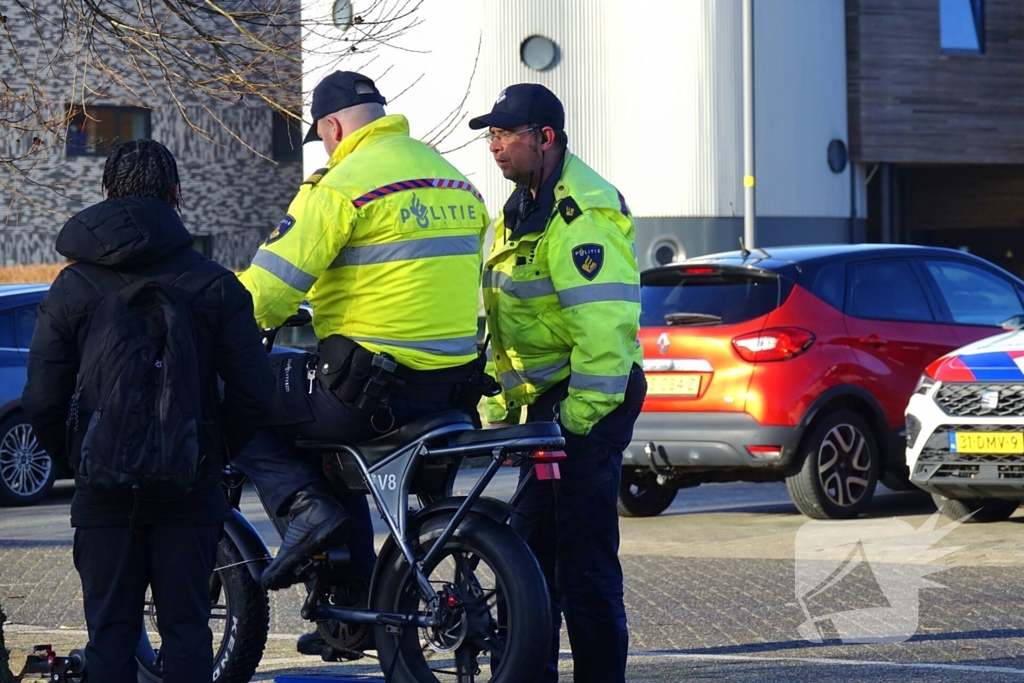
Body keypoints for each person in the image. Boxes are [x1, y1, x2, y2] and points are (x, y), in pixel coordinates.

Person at [232, 71, 490, 626]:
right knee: (320, 443)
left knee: (235, 393)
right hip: (449, 392)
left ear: (331, 126)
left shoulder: (343, 184)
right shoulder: (455, 182)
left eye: (323, 137)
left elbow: (271, 287)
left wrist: (212, 320)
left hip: (368, 393)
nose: (325, 146)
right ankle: (348, 609)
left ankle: (304, 509)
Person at [22, 139, 275, 683]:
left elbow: (42, 397)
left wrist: (79, 458)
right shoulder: (215, 284)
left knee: (108, 635)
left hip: (103, 490)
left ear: (107, 195)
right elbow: (255, 393)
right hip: (188, 485)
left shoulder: (73, 285)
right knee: (187, 630)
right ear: (177, 196)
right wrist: (209, 449)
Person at [469, 84, 647, 683]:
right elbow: (505, 321)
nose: (495, 148)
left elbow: (604, 332)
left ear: (547, 138)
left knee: (582, 558)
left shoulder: (581, 215)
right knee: (527, 551)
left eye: (506, 135)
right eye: (490, 136)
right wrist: (500, 403)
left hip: (586, 405)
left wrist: (572, 420)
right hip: (551, 409)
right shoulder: (519, 209)